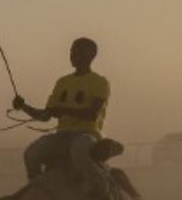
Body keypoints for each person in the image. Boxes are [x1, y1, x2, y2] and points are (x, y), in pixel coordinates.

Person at [14, 37, 110, 191]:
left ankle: (103, 188)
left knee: (78, 151)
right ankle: (37, 190)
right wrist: (23, 106)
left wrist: (63, 110)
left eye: (76, 51)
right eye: (71, 51)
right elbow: (45, 116)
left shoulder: (99, 82)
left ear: (90, 55)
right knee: (31, 154)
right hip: (62, 136)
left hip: (87, 135)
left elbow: (91, 114)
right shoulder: (62, 82)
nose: (71, 55)